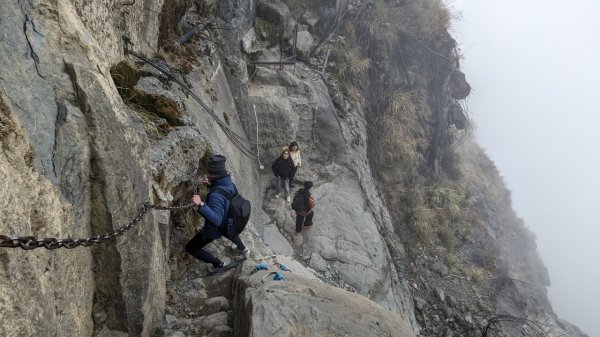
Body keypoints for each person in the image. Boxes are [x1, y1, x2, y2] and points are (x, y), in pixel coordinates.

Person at [186, 154, 250, 270]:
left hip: (214, 229)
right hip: (229, 219)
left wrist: (200, 204)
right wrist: (211, 186)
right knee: (229, 232)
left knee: (191, 248)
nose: (207, 175)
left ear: (213, 175)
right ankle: (244, 249)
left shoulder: (215, 196)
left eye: (208, 174)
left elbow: (217, 219)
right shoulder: (228, 182)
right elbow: (226, 196)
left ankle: (219, 264)